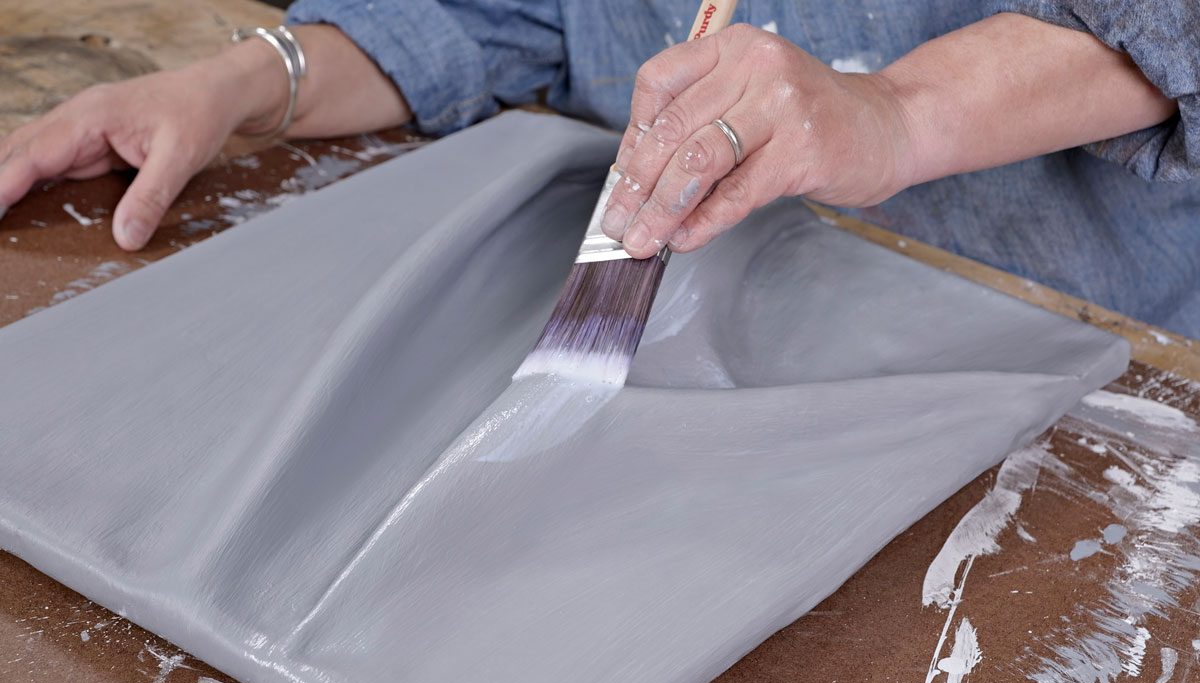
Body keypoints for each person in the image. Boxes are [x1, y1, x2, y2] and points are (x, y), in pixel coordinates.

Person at [0, 2, 1195, 333]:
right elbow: (486, 17)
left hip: (1075, 344)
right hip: (714, 304)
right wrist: (244, 82)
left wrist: (894, 112)